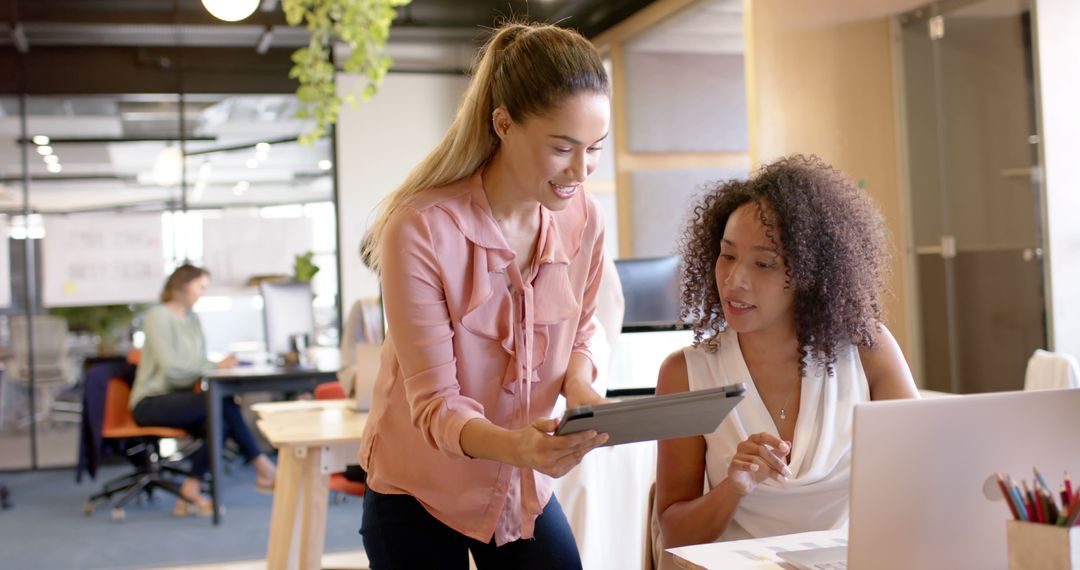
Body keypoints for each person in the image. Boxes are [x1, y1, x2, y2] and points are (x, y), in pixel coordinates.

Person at [358, 21, 612, 569]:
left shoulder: (584, 218)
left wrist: (581, 384)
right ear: (504, 124)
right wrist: (521, 445)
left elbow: (584, 328)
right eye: (562, 148)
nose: (580, 170)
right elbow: (435, 406)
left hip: (518, 483)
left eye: (594, 148)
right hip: (418, 486)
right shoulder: (421, 228)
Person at [654, 156, 920, 562]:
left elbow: (923, 480)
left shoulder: (869, 353)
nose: (734, 279)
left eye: (763, 263)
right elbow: (673, 532)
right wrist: (734, 487)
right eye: (727, 256)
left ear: (813, 274)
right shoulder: (685, 373)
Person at [129, 264, 276, 516]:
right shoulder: (158, 317)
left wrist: (216, 367)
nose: (203, 293)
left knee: (221, 416)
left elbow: (196, 362)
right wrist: (214, 365)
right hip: (151, 401)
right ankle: (262, 467)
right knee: (221, 406)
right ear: (184, 285)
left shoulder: (193, 318)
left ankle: (192, 487)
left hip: (180, 397)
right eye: (201, 287)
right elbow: (173, 369)